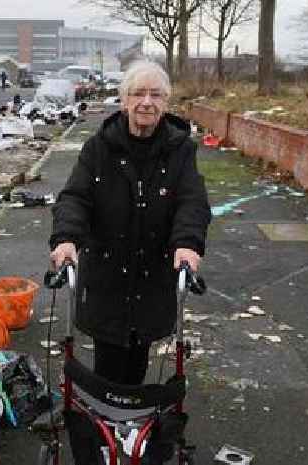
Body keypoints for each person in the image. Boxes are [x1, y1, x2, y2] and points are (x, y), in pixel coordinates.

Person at [49, 59, 211, 386]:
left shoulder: (181, 150)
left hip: (154, 273)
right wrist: (66, 238)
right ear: (124, 101)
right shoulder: (98, 147)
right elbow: (75, 197)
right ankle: (107, 425)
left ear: (166, 103)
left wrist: (187, 245)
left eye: (156, 94)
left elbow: (191, 202)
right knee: (108, 362)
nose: (146, 102)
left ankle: (128, 422)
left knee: (138, 357)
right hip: (108, 274)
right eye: (138, 93)